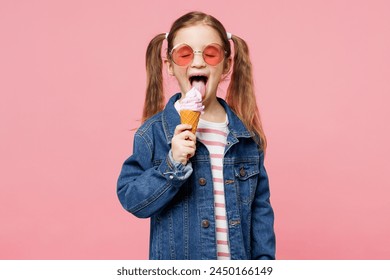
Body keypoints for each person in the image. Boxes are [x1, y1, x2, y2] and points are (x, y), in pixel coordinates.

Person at [117, 11, 275, 260]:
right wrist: (173, 163)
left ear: (226, 65)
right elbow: (133, 201)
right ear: (170, 66)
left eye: (210, 54)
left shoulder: (246, 137)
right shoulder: (154, 133)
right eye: (185, 54)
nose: (198, 63)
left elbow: (260, 211)